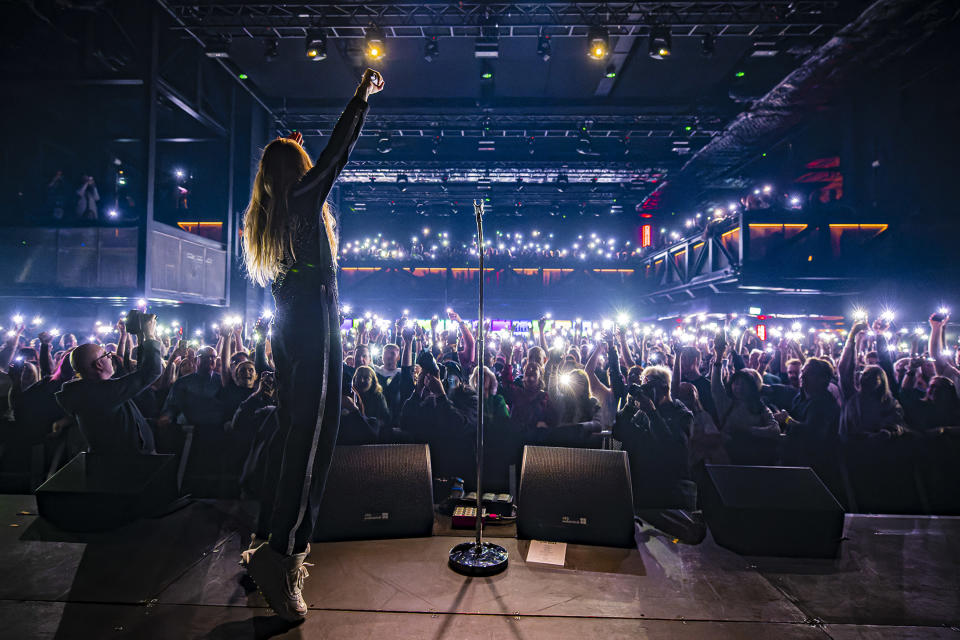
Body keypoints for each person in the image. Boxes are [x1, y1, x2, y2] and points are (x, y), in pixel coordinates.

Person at [240, 68, 383, 621]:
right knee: (314, 444)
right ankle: (282, 557)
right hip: (315, 329)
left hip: (290, 331)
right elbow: (337, 153)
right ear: (298, 172)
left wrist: (288, 153)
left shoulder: (275, 209)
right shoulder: (303, 200)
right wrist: (360, 98)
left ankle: (268, 539)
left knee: (293, 437)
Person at [55, 315, 161, 456]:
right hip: (125, 463)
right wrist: (150, 335)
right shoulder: (100, 394)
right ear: (98, 364)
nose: (110, 356)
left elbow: (141, 371)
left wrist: (141, 337)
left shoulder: (91, 390)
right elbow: (151, 372)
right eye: (105, 354)